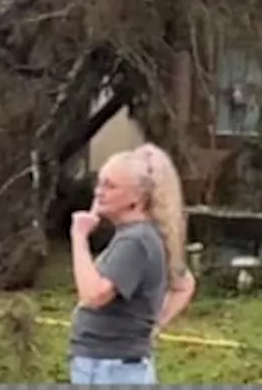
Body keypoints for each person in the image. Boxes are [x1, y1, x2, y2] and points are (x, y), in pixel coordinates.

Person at [66, 143, 197, 385]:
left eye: (111, 185)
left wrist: (79, 236)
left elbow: (94, 294)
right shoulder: (139, 236)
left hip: (111, 368)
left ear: (138, 196)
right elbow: (184, 283)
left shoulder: (135, 241)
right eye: (100, 182)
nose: (99, 192)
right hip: (112, 364)